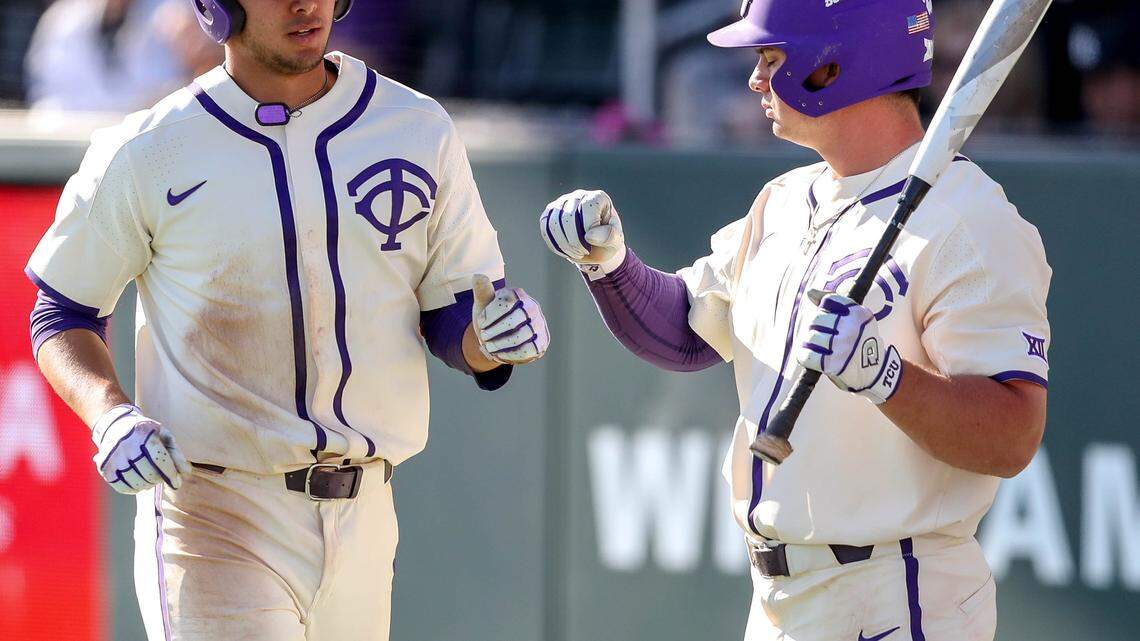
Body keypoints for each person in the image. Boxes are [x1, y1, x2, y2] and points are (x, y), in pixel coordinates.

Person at [25, 0, 549, 639]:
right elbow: (62, 311)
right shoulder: (148, 148)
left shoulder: (417, 126)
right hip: (213, 510)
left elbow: (452, 317)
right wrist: (110, 415)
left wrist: (494, 339)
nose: (307, 4)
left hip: (366, 509)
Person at [539, 1, 1050, 640]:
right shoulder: (784, 201)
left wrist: (886, 377)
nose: (755, 80)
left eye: (771, 58)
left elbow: (1010, 436)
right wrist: (609, 265)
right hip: (781, 601)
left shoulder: (970, 222)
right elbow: (686, 330)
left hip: (900, 594)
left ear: (833, 64)